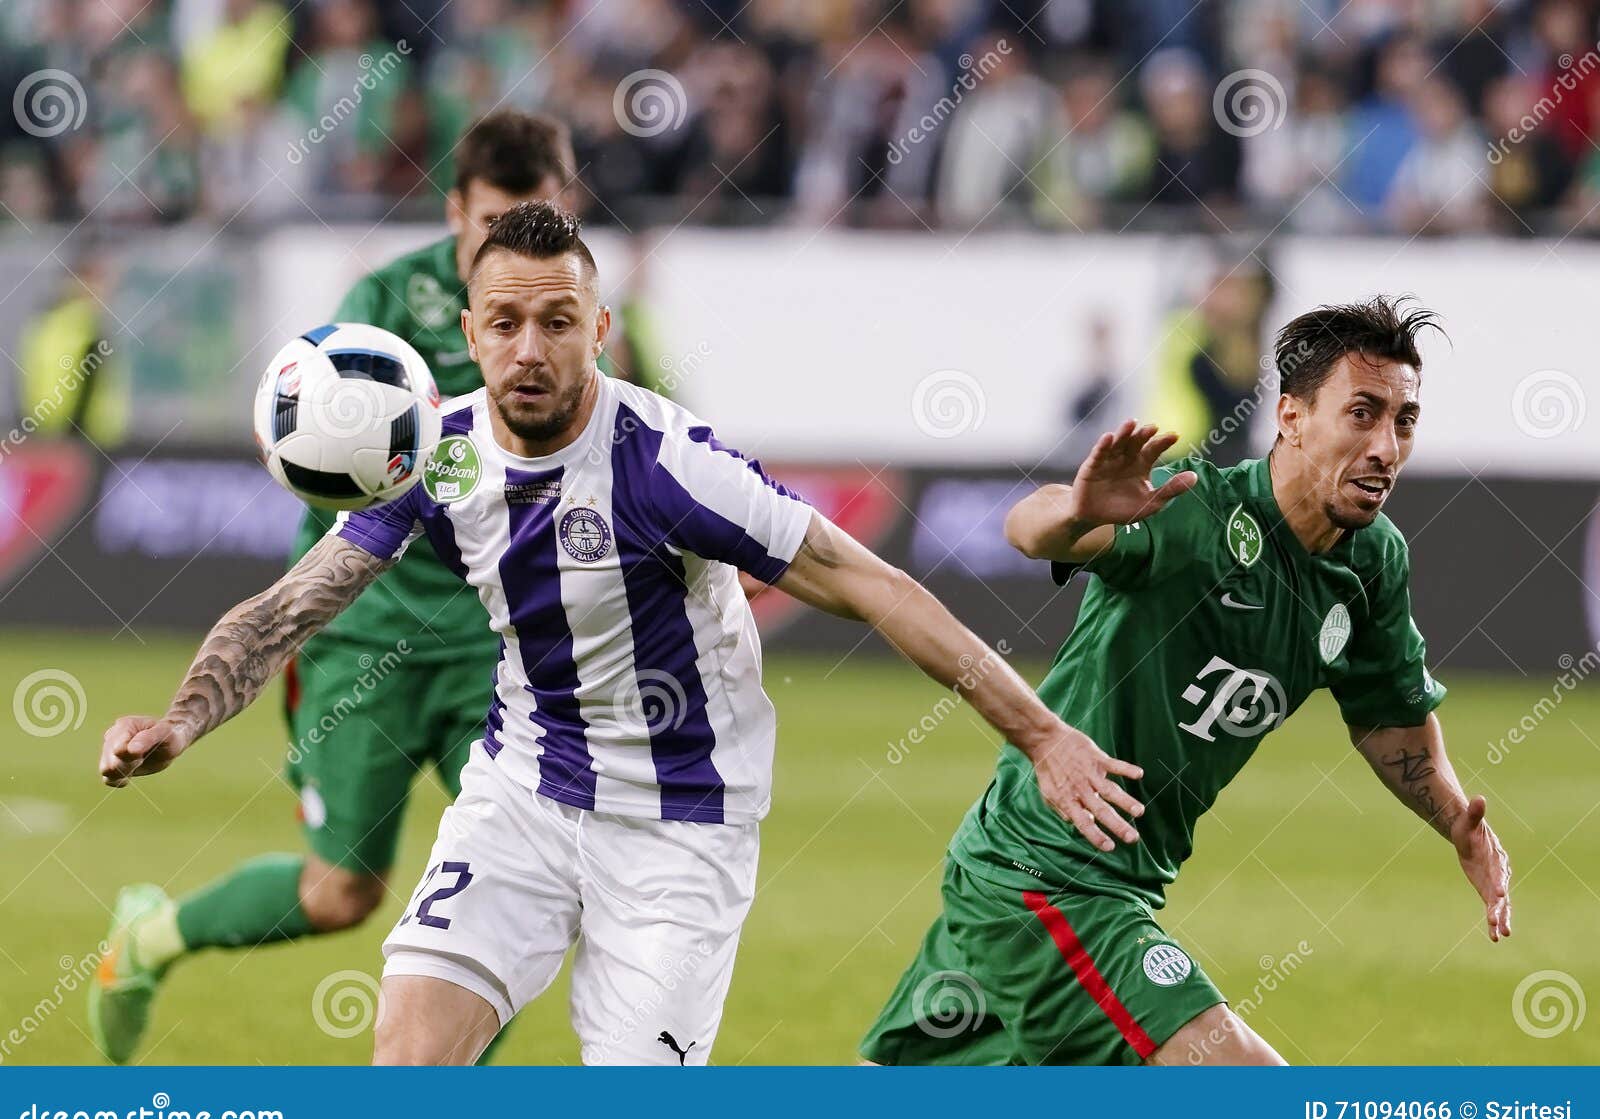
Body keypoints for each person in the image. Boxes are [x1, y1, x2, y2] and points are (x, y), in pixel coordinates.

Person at [95, 200, 1146, 1066]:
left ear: (598, 330)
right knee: (407, 1061)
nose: (530, 349)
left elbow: (869, 584)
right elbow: (292, 604)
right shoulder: (444, 453)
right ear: (468, 337)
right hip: (520, 795)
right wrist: (180, 721)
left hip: (679, 829)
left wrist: (1040, 733)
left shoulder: (664, 462)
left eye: (558, 321)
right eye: (504, 323)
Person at [861, 296, 1513, 1066]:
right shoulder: (1194, 513)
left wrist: (1455, 821)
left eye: (1404, 420)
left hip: (1066, 884)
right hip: (1048, 883)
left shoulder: (1371, 561)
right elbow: (1025, 526)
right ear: (1293, 418)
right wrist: (1075, 511)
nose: (1385, 446)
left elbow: (1389, 721)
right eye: (1362, 413)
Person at [88, 111, 578, 1064]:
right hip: (369, 637)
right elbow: (334, 470)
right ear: (456, 214)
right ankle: (150, 938)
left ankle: (433, 1086)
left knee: (537, 885)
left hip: (499, 643)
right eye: (495, 225)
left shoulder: (579, 310)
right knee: (339, 894)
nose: (517, 249)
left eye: (541, 220)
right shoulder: (389, 303)